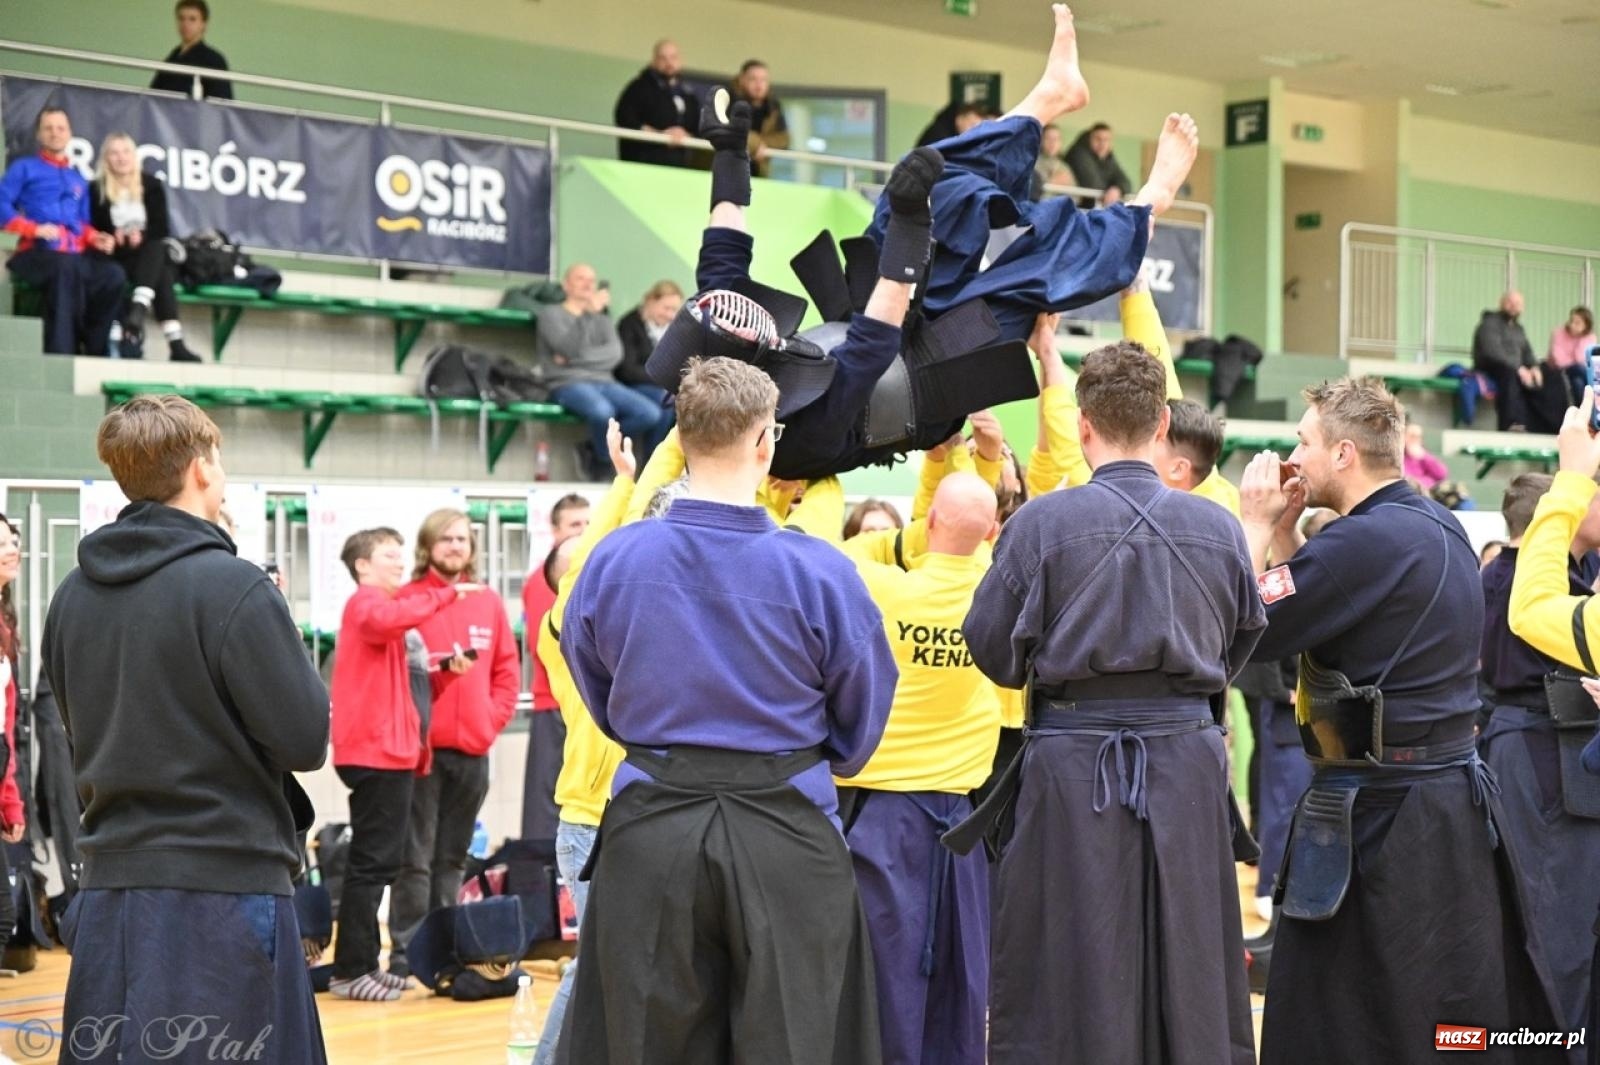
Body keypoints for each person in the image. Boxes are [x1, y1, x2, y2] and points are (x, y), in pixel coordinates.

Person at [648, 8, 1199, 480]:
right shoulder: (789, 440)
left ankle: (1046, 101)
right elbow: (871, 348)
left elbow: (722, 247)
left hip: (871, 327)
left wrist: (729, 154)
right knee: (1025, 277)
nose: (742, 314)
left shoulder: (708, 349)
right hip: (924, 384)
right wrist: (913, 228)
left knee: (920, 182)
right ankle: (1150, 203)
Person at [556, 356, 897, 1065]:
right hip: (787, 829)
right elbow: (863, 712)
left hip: (653, 825)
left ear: (679, 435)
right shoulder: (823, 571)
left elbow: (596, 689)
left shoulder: (614, 560)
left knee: (644, 1044)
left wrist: (665, 744)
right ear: (767, 441)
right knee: (797, 1041)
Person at [955, 340, 1265, 1065]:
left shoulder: (1040, 524)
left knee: (1069, 962)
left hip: (1072, 765)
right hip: (1186, 763)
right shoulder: (1218, 526)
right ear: (1162, 423)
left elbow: (993, 650)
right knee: (1190, 958)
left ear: (1083, 424)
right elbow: (1239, 646)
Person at [1238, 377, 1563, 1065]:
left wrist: (1256, 525)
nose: (1294, 455)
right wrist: (1294, 533)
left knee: (1347, 1020)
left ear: (1344, 453)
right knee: (1431, 1009)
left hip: (1378, 819)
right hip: (1443, 810)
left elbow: (1236, 624)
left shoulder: (1359, 544)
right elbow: (1326, 607)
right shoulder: (1435, 524)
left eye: (1303, 441)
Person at [41, 394, 329, 1060]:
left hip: (111, 890)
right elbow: (305, 738)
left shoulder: (69, 595)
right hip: (225, 890)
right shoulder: (237, 588)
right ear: (201, 467)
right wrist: (274, 616)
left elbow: (79, 729)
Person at [815, 472, 1002, 1065]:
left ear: (928, 524)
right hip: (963, 823)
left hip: (882, 817)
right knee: (960, 981)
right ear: (991, 530)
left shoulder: (881, 589)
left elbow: (822, 548)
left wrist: (824, 489)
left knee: (883, 978)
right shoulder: (997, 589)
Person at [328, 527, 475, 1002]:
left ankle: (363, 963)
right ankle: (353, 968)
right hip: (375, 754)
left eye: (397, 554)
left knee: (380, 863)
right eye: (387, 554)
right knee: (372, 865)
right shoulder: (367, 607)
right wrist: (443, 596)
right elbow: (393, 620)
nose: (397, 562)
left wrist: (443, 675)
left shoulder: (386, 621)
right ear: (362, 566)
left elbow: (408, 693)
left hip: (391, 753)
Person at [1481, 472, 1600, 1039]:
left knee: (1575, 922)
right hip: (1538, 749)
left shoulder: (1578, 574)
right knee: (1555, 926)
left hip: (1561, 749)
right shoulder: (1509, 577)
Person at [532, 423, 634, 1065]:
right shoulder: (559, 626)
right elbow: (595, 552)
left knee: (622, 968)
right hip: (592, 825)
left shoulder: (626, 626)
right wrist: (625, 483)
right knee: (596, 965)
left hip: (636, 817)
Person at [388, 510, 520, 981]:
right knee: (415, 858)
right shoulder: (405, 601)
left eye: (462, 539)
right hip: (422, 753)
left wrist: (490, 721)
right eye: (445, 539)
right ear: (428, 546)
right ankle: (405, 953)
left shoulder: (487, 602)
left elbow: (507, 670)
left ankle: (444, 951)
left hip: (473, 750)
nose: (455, 546)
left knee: (452, 858)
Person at [1, 108, 126, 357]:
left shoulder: (77, 178)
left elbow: (82, 224)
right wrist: (33, 228)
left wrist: (95, 238)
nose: (55, 133)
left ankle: (95, 349)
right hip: (35, 253)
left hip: (73, 257)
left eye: (60, 128)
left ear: (69, 134)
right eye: (48, 128)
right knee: (66, 268)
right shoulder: (24, 167)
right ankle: (61, 353)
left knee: (113, 275)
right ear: (39, 134)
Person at [536, 263, 673, 480]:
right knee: (603, 411)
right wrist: (585, 320)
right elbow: (566, 348)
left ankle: (595, 447)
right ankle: (603, 461)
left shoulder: (602, 318)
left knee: (650, 413)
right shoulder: (550, 315)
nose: (588, 284)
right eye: (581, 278)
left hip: (605, 381)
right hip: (566, 383)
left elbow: (614, 355)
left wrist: (573, 359)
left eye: (592, 279)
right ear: (566, 284)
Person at [90, 132, 201, 362]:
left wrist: (140, 235)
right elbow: (97, 228)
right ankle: (174, 341)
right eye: (114, 153)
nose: (121, 158)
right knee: (160, 270)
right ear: (106, 159)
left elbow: (161, 228)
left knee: (157, 252)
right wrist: (115, 234)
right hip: (117, 256)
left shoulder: (151, 184)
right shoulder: (96, 189)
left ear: (134, 156)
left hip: (146, 253)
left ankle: (139, 308)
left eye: (126, 152)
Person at [520, 492, 590, 841]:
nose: (583, 531)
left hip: (585, 707)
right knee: (547, 812)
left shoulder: (592, 575)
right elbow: (547, 644)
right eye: (575, 524)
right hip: (555, 705)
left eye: (588, 523)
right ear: (555, 530)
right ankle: (543, 891)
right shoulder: (544, 581)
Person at [614, 280, 682, 462]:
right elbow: (627, 369)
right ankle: (651, 463)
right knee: (665, 403)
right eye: (666, 308)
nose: (670, 315)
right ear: (651, 301)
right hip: (633, 386)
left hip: (664, 387)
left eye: (674, 310)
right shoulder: (629, 324)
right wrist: (663, 378)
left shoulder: (674, 330)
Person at [0, 516, 26, 973]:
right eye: (0, 542)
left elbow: (6, 724)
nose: (11, 547)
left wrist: (11, 802)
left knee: (4, 914)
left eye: (11, 539)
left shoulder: (6, 617)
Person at [614, 40, 698, 168]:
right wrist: (659, 136)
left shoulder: (687, 93)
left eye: (673, 57)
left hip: (677, 166)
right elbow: (625, 118)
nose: (669, 63)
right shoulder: (638, 87)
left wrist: (684, 134)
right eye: (663, 58)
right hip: (643, 163)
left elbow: (697, 125)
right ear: (654, 61)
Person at [1474, 291, 1540, 432]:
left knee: (1549, 376)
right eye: (1510, 302)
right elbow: (1492, 352)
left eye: (1517, 304)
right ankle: (1510, 424)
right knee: (1509, 374)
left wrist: (1534, 367)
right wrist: (1518, 368)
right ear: (1501, 303)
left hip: (1514, 368)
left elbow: (1527, 352)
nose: (1513, 306)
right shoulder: (1489, 323)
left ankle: (1544, 427)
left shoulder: (1519, 329)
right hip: (1491, 367)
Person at [151, 0, 232, 100]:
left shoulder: (214, 60)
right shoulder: (172, 57)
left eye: (192, 19)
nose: (185, 24)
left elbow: (221, 105)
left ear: (204, 24)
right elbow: (153, 96)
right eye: (181, 18)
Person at [730, 60, 789, 178]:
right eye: (753, 79)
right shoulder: (728, 101)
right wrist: (756, 145)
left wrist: (759, 144)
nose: (759, 85)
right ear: (742, 80)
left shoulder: (773, 107)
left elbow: (784, 139)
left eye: (763, 80)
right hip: (729, 170)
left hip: (758, 173)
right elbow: (730, 131)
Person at [1063, 121, 1133, 203]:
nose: (1102, 143)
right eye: (1098, 139)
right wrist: (1111, 190)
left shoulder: (1108, 158)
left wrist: (1117, 189)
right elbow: (1093, 184)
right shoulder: (1078, 154)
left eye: (1106, 140)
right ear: (1089, 139)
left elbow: (1126, 182)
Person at [1549, 306, 1597, 402]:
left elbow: (1583, 359)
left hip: (1577, 374)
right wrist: (1574, 361)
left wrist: (1581, 337)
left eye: (1577, 323)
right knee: (1579, 368)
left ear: (1586, 326)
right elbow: (1559, 361)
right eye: (1571, 321)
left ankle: (1583, 413)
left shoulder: (1590, 337)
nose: (1572, 325)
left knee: (1577, 383)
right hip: (1560, 371)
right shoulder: (1559, 333)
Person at [1031, 123, 1074, 199]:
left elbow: (1076, 197)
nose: (1052, 143)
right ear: (1041, 141)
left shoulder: (1064, 167)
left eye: (1056, 139)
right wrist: (1052, 183)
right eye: (1048, 138)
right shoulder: (1032, 163)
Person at [1402, 421, 1448, 491]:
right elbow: (1405, 479)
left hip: (1427, 493)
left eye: (1418, 437)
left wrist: (1424, 456)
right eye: (1412, 436)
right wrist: (1427, 480)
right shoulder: (1398, 456)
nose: (1415, 439)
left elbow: (1442, 474)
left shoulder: (1424, 456)